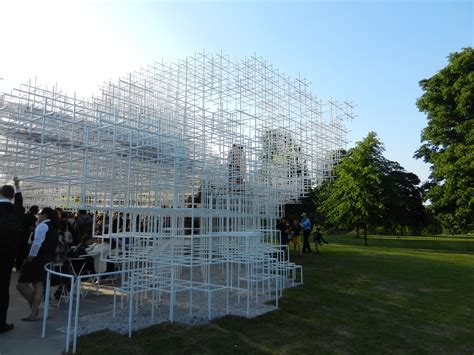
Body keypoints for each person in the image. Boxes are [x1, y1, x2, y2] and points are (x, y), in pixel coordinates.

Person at [16, 207, 59, 321]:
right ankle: (34, 311)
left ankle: (34, 309)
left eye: (39, 213)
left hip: (37, 258)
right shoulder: (52, 227)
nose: (37, 215)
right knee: (38, 285)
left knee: (21, 285)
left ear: (45, 215)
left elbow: (36, 244)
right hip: (46, 259)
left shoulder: (43, 226)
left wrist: (30, 257)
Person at [0, 178, 23, 332]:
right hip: (7, 257)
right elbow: (19, 204)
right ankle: (1, 323)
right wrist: (18, 186)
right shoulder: (17, 211)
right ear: (13, 196)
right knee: (3, 290)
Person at [16, 205, 39, 271]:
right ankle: (23, 267)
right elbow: (34, 228)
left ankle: (17, 266)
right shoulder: (34, 219)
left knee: (19, 251)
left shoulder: (24, 215)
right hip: (28, 237)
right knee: (25, 251)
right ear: (35, 211)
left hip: (20, 235)